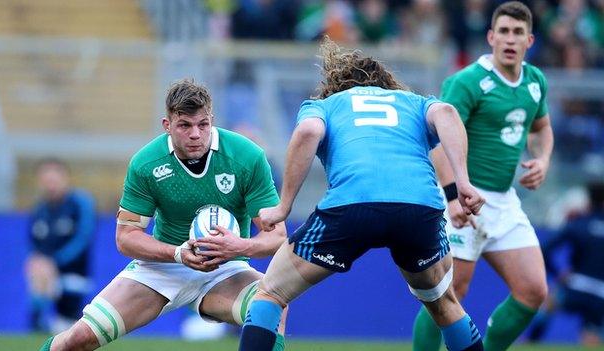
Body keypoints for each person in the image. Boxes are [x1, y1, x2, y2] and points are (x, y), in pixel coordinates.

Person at [237, 37, 486, 351]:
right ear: (388, 84)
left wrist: (284, 207)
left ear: (335, 85)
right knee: (444, 304)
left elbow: (308, 132)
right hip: (419, 209)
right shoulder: (413, 102)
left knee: (270, 293)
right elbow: (448, 113)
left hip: (352, 206)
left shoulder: (325, 105)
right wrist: (462, 184)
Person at [39, 79, 288, 350]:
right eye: (185, 125)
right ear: (167, 125)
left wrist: (241, 246)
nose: (195, 134)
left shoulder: (247, 157)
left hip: (225, 269)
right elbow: (126, 238)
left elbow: (276, 235)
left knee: (272, 302)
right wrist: (178, 253)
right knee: (77, 340)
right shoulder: (146, 163)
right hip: (163, 268)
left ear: (212, 121)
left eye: (203, 125)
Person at [412, 2, 555, 351]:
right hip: (464, 197)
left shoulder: (535, 82)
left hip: (505, 202)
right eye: (503, 31)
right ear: (491, 37)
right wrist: (451, 196)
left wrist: (543, 159)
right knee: (447, 293)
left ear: (529, 40)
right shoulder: (468, 82)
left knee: (533, 291)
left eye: (517, 32)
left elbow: (542, 127)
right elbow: (437, 144)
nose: (510, 39)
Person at [527, 182, 604, 346]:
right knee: (591, 335)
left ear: (589, 200)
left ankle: (529, 345)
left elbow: (546, 249)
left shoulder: (580, 224)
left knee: (546, 307)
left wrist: (558, 272)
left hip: (575, 286)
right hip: (601, 294)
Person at [25, 158, 96, 334]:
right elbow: (33, 243)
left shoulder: (80, 203)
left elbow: (83, 239)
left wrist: (54, 261)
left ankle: (54, 320)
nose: (50, 184)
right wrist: (37, 261)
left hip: (74, 274)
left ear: (65, 178)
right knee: (36, 269)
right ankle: (38, 318)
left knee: (67, 329)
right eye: (46, 180)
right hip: (46, 275)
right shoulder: (40, 209)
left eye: (54, 179)